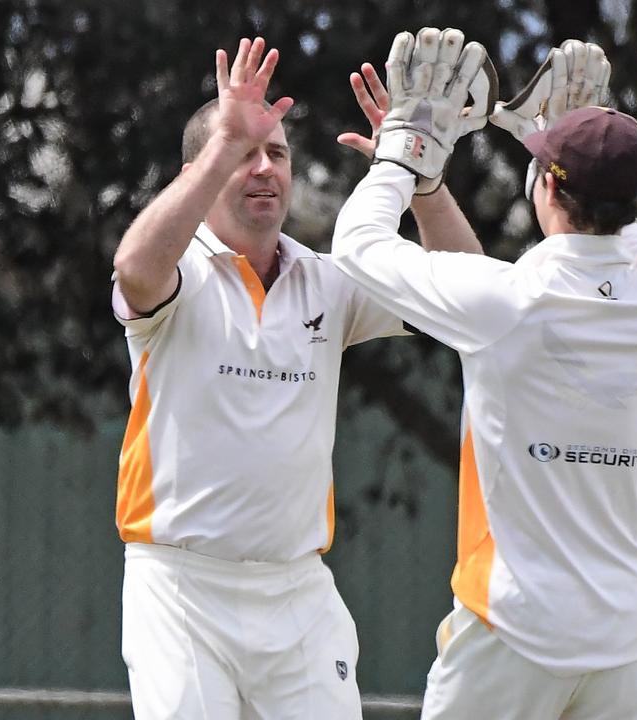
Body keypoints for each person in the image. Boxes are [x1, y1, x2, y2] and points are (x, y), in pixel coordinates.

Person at [330, 28, 637, 720]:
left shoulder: (508, 303)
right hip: (631, 636)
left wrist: (406, 150)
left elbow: (356, 247)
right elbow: (622, 233)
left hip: (515, 631)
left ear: (546, 188)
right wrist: (588, 142)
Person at [109, 37, 477, 719]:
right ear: (202, 167)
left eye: (276, 154)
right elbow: (133, 270)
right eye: (244, 153)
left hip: (298, 591)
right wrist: (225, 139)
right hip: (180, 588)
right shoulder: (177, 272)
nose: (264, 169)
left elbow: (466, 290)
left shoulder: (330, 281)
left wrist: (422, 177)